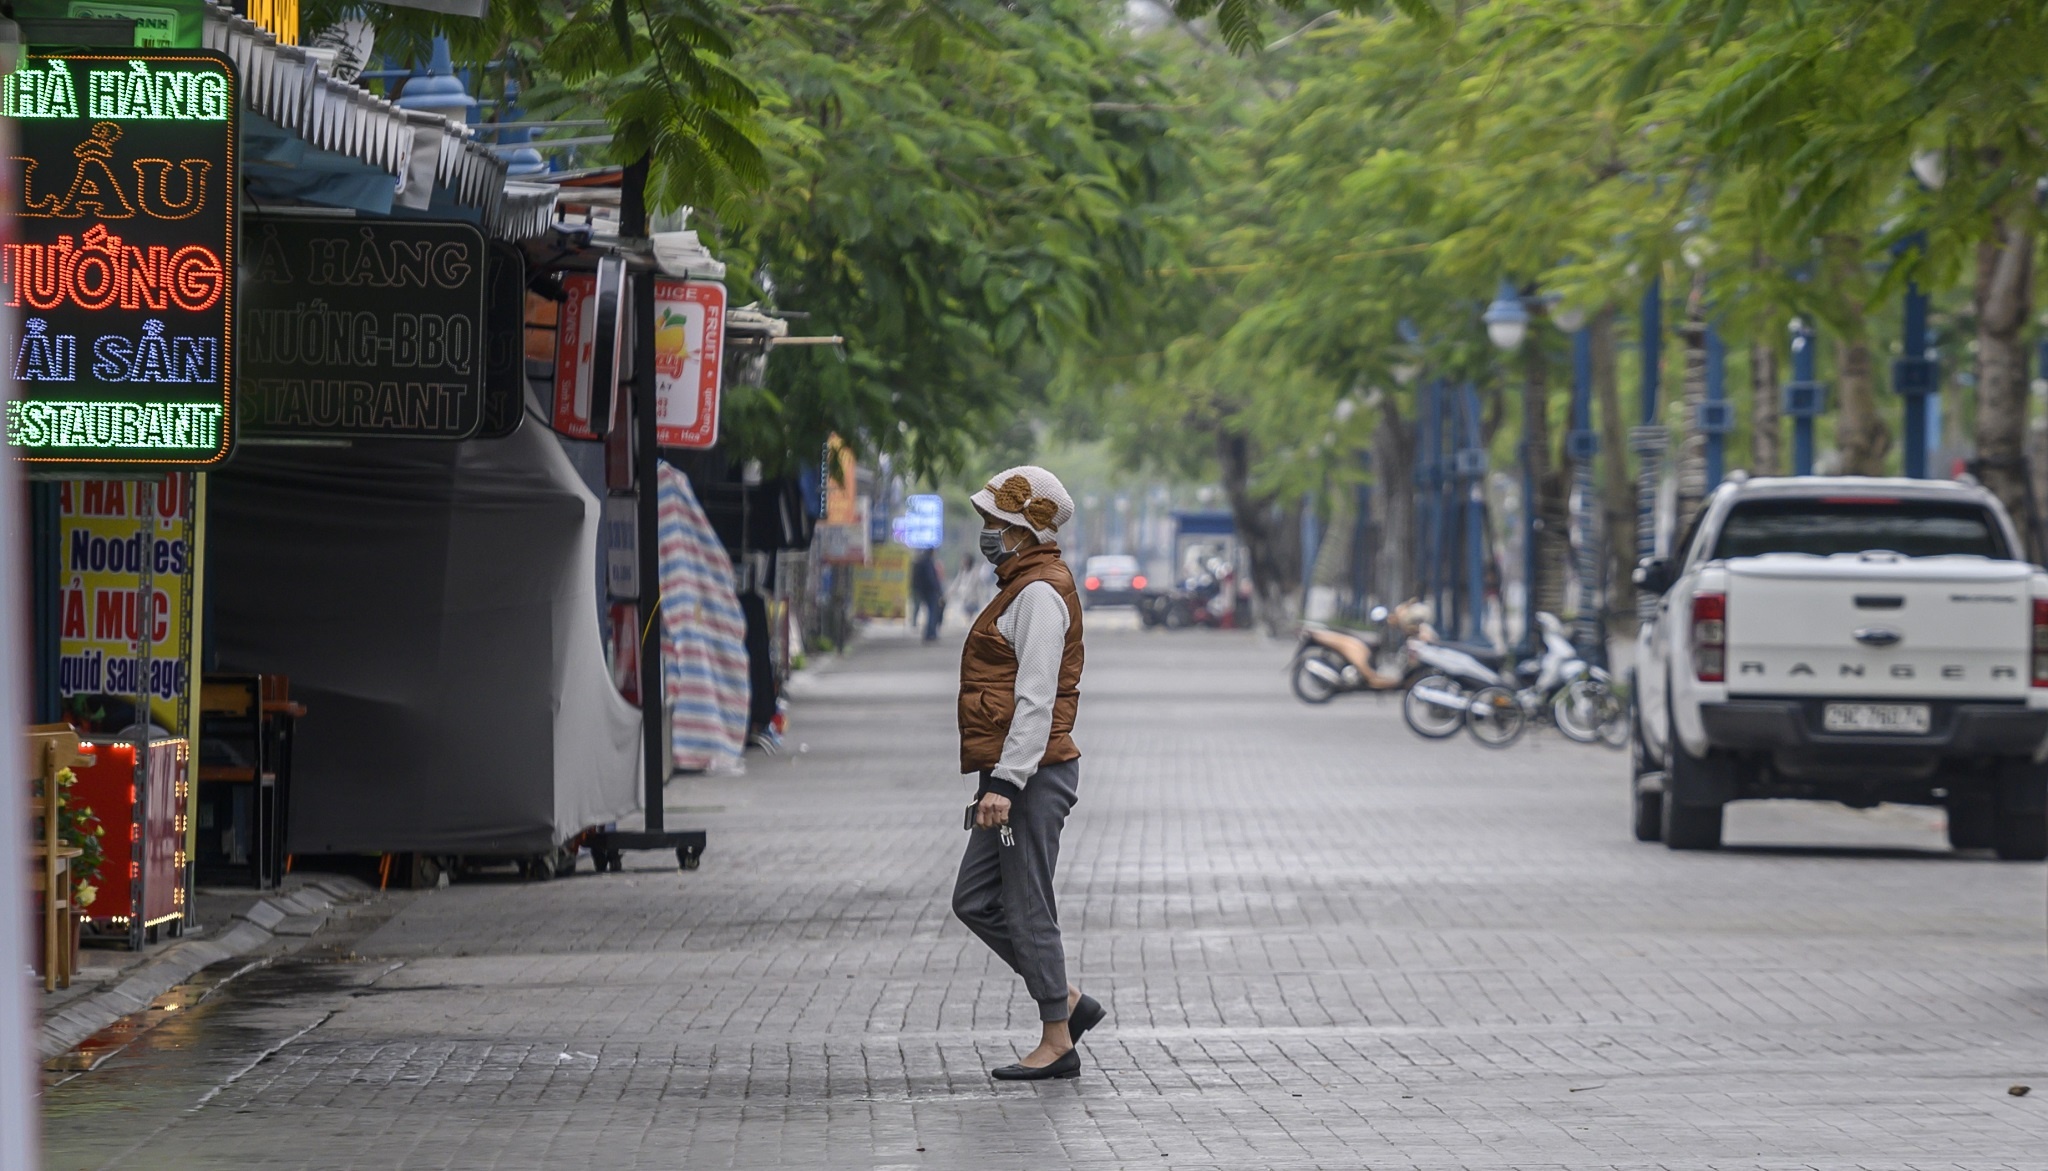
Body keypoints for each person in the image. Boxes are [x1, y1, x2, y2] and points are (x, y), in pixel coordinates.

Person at [949, 465, 1105, 1081]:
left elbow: (1036, 700)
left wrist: (1007, 784)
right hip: (1014, 775)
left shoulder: (1039, 593)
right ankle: (1066, 1000)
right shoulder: (1021, 585)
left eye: (996, 522)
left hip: (1031, 780)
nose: (987, 532)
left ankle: (1057, 1038)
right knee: (975, 899)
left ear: (1023, 528)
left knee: (1025, 903)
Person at [911, 547, 946, 642]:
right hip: (930, 591)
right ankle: (931, 633)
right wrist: (938, 589)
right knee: (932, 612)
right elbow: (931, 579)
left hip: (922, 591)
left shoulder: (920, 562)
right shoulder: (928, 563)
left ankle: (928, 633)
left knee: (929, 612)